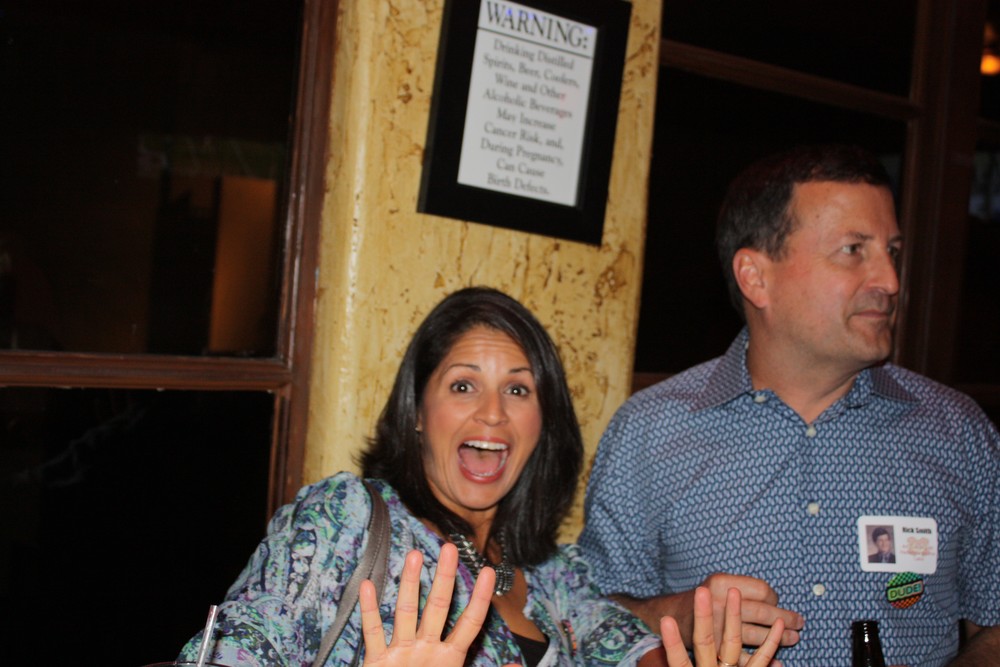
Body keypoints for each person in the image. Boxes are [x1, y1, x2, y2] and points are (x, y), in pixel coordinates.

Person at [178, 286, 782, 666]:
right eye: (463, 385)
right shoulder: (348, 520)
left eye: (518, 390)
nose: (492, 413)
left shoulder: (551, 575)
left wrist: (697, 625)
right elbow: (232, 652)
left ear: (544, 424)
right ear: (418, 413)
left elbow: (623, 644)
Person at [579, 145, 1000, 666]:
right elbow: (587, 617)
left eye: (892, 251)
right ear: (756, 277)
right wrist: (680, 615)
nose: (890, 282)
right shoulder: (652, 432)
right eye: (853, 250)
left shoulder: (958, 433)